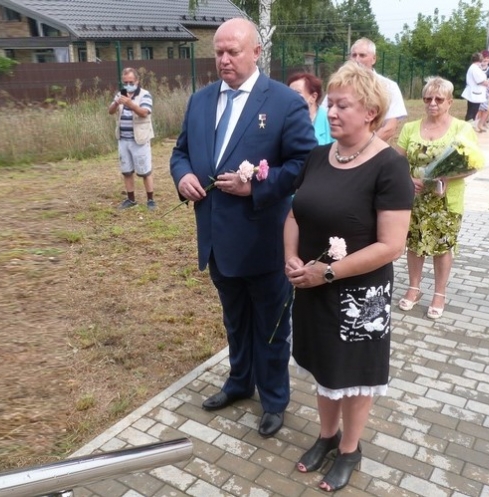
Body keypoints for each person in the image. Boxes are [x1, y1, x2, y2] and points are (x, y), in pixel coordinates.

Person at [170, 17, 317, 438]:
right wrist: (182, 176)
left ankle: (273, 399)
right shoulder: (200, 101)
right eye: (218, 52)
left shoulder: (284, 103)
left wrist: (257, 185)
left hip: (263, 239)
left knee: (271, 326)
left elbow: (303, 164)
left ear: (256, 52)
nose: (223, 59)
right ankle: (239, 382)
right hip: (217, 240)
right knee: (234, 321)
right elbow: (180, 152)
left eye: (232, 51)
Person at [285, 61, 413, 492]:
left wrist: (329, 272)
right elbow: (295, 213)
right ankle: (326, 436)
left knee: (356, 376)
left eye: (343, 105)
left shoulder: (390, 166)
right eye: (330, 104)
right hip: (312, 284)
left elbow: (391, 245)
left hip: (361, 293)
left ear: (370, 113)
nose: (331, 112)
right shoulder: (318, 156)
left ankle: (349, 449)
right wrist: (291, 257)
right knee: (325, 367)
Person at [394, 77, 484, 320]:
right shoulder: (410, 128)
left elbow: (473, 164)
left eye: (438, 99)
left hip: (445, 200)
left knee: (442, 247)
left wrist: (445, 176)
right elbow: (396, 162)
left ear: (450, 102)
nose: (432, 103)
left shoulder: (462, 129)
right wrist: (407, 178)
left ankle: (439, 293)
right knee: (414, 244)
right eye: (427, 99)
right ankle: (414, 288)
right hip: (415, 198)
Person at [108, 67, 155, 210]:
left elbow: (144, 113)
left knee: (145, 170)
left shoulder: (145, 95)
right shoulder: (120, 94)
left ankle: (150, 200)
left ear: (137, 81)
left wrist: (130, 104)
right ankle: (131, 199)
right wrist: (117, 103)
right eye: (125, 82)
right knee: (126, 170)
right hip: (123, 139)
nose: (128, 85)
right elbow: (110, 111)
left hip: (139, 139)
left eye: (131, 82)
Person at [346, 38, 408, 142]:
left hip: (373, 148)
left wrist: (364, 147)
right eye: (354, 55)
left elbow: (389, 128)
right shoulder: (340, 85)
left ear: (374, 59)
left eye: (362, 55)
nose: (357, 59)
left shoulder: (389, 87)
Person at [288, 72, 334, 145]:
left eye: (297, 92)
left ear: (313, 97)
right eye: (289, 93)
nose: (291, 97)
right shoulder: (286, 121)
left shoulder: (331, 121)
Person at [461, 52, 489, 124]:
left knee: (472, 111)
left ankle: (470, 125)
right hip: (475, 93)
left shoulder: (474, 67)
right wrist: (487, 83)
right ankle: (469, 125)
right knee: (472, 111)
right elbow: (480, 81)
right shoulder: (475, 68)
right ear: (480, 59)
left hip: (475, 92)